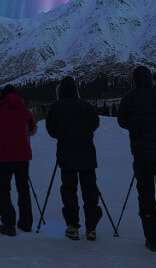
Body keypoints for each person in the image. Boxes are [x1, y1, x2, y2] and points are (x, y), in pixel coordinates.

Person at [117, 65, 156, 254]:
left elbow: (122, 121)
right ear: (150, 79)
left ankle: (152, 241)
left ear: (135, 81)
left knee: (146, 197)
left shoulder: (128, 98)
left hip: (141, 156)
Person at [45, 75, 102, 241]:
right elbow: (95, 123)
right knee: (90, 189)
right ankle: (91, 227)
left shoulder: (56, 107)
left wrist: (64, 135)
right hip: (87, 154)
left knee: (69, 190)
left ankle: (72, 226)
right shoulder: (86, 106)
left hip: (66, 154)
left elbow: (52, 130)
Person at [0, 84, 38, 236]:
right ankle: (26, 223)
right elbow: (33, 129)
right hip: (23, 157)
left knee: (4, 190)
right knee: (23, 189)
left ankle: (8, 224)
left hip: (5, 157)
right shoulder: (26, 112)